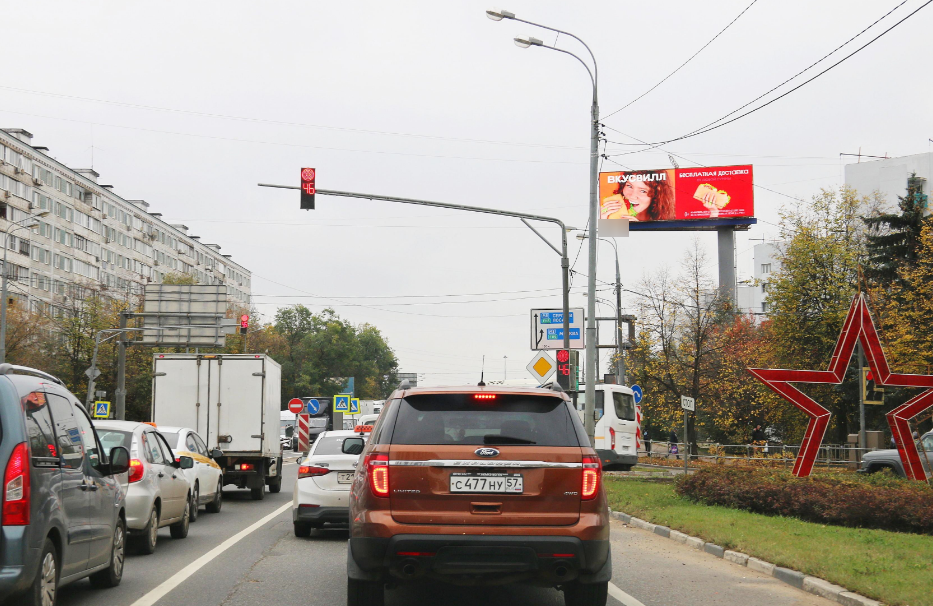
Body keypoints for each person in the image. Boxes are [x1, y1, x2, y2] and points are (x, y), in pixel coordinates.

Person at [601, 171, 675, 222]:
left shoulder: (668, 222)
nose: (632, 196)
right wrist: (603, 224)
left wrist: (636, 229)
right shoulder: (609, 216)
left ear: (656, 196)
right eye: (629, 186)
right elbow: (611, 242)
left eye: (643, 191)